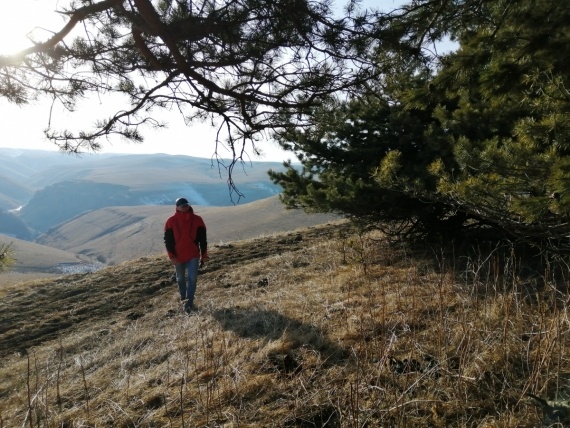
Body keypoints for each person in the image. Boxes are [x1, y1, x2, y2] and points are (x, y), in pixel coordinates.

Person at [164, 197, 209, 312]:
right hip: (178, 256)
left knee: (192, 278)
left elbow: (203, 239)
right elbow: (167, 240)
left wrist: (203, 254)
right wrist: (172, 256)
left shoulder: (198, 220)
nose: (185, 206)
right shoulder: (171, 221)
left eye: (186, 204)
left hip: (193, 254)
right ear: (177, 207)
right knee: (180, 279)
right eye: (182, 205)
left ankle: (188, 303)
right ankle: (183, 298)